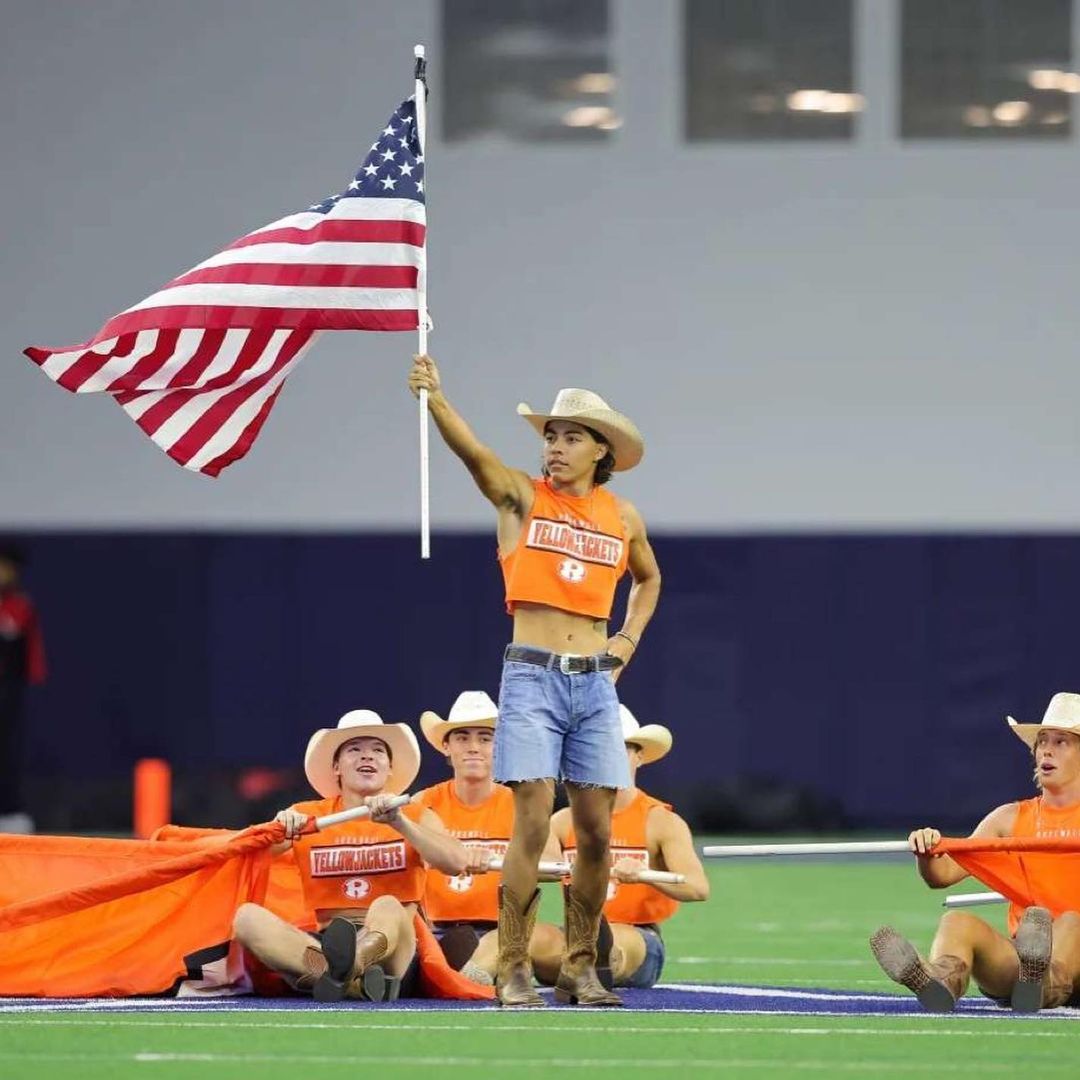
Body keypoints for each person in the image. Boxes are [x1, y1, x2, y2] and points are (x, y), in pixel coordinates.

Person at [408, 356, 662, 1007]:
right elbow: (476, 457)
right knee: (530, 818)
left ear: (601, 450)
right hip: (532, 678)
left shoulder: (622, 515)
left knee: (596, 831)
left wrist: (626, 641)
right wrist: (436, 399)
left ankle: (580, 967)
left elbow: (649, 578)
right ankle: (515, 964)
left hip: (595, 684)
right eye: (550, 435)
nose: (555, 446)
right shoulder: (522, 497)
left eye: (571, 436)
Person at [232, 710, 467, 1001]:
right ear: (336, 768)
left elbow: (457, 862)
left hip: (396, 954)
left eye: (377, 751)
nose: (367, 756)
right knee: (246, 918)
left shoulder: (414, 815)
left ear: (389, 768)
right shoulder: (307, 816)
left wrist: (400, 823)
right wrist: (278, 831)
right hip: (326, 944)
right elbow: (249, 857)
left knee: (387, 904)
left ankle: (347, 967)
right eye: (355, 749)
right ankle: (353, 984)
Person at [871, 691, 1080, 1013]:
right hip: (1023, 969)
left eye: (1061, 742)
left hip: (1072, 959)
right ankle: (940, 980)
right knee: (957, 922)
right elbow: (942, 876)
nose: (1046, 750)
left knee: (1070, 921)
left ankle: (1044, 983)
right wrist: (926, 851)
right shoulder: (1009, 819)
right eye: (1042, 742)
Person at [545, 705, 710, 989]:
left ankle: (589, 971)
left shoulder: (661, 821)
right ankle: (478, 975)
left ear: (639, 757)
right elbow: (540, 867)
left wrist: (645, 874)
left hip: (638, 938)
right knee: (530, 938)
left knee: (611, 940)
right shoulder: (562, 821)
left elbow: (697, 888)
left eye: (619, 750)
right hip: (574, 933)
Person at [413, 690, 563, 983]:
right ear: (446, 747)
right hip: (436, 932)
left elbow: (554, 865)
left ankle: (470, 974)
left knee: (552, 943)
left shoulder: (523, 805)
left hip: (509, 926)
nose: (473, 747)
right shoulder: (423, 803)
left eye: (485, 739)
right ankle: (477, 975)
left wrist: (500, 860)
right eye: (462, 738)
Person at [0, 543, 47, 834]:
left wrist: (33, 676)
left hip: (8, 691)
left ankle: (9, 809)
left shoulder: (20, 606)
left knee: (8, 750)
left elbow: (32, 652)